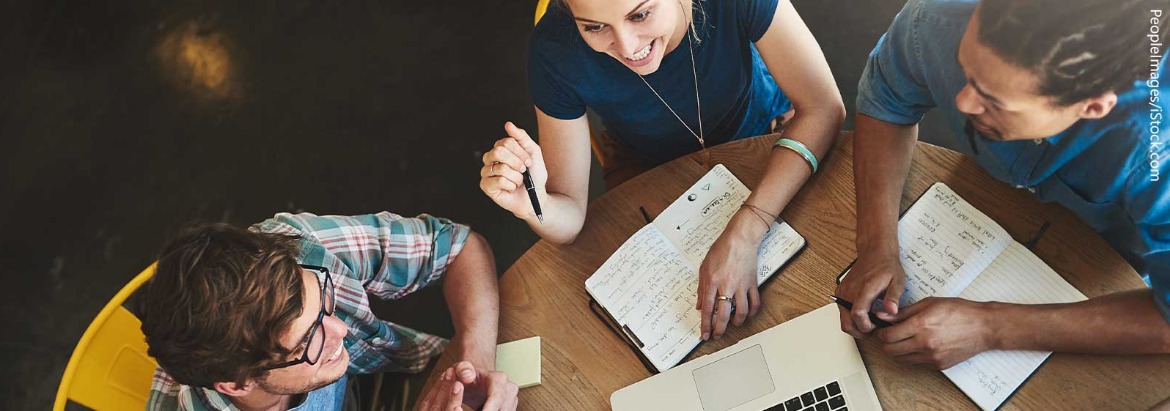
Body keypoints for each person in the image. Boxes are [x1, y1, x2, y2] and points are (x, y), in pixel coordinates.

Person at [478, 0, 845, 340]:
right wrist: (534, 204)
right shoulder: (554, 51)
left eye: (640, 15)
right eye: (593, 28)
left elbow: (823, 109)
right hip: (649, 163)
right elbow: (569, 218)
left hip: (762, 126)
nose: (626, 47)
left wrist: (745, 233)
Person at [838, 0, 1170, 369]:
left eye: (993, 100)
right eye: (965, 68)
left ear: (1092, 107)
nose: (962, 101)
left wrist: (989, 326)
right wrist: (875, 247)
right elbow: (887, 100)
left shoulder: (1158, 152)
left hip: (1115, 282)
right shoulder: (941, 17)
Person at [140, 212, 518, 411]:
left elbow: (457, 246)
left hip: (397, 380)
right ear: (238, 384)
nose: (339, 330)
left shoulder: (299, 248)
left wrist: (477, 360)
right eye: (309, 341)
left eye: (322, 303)